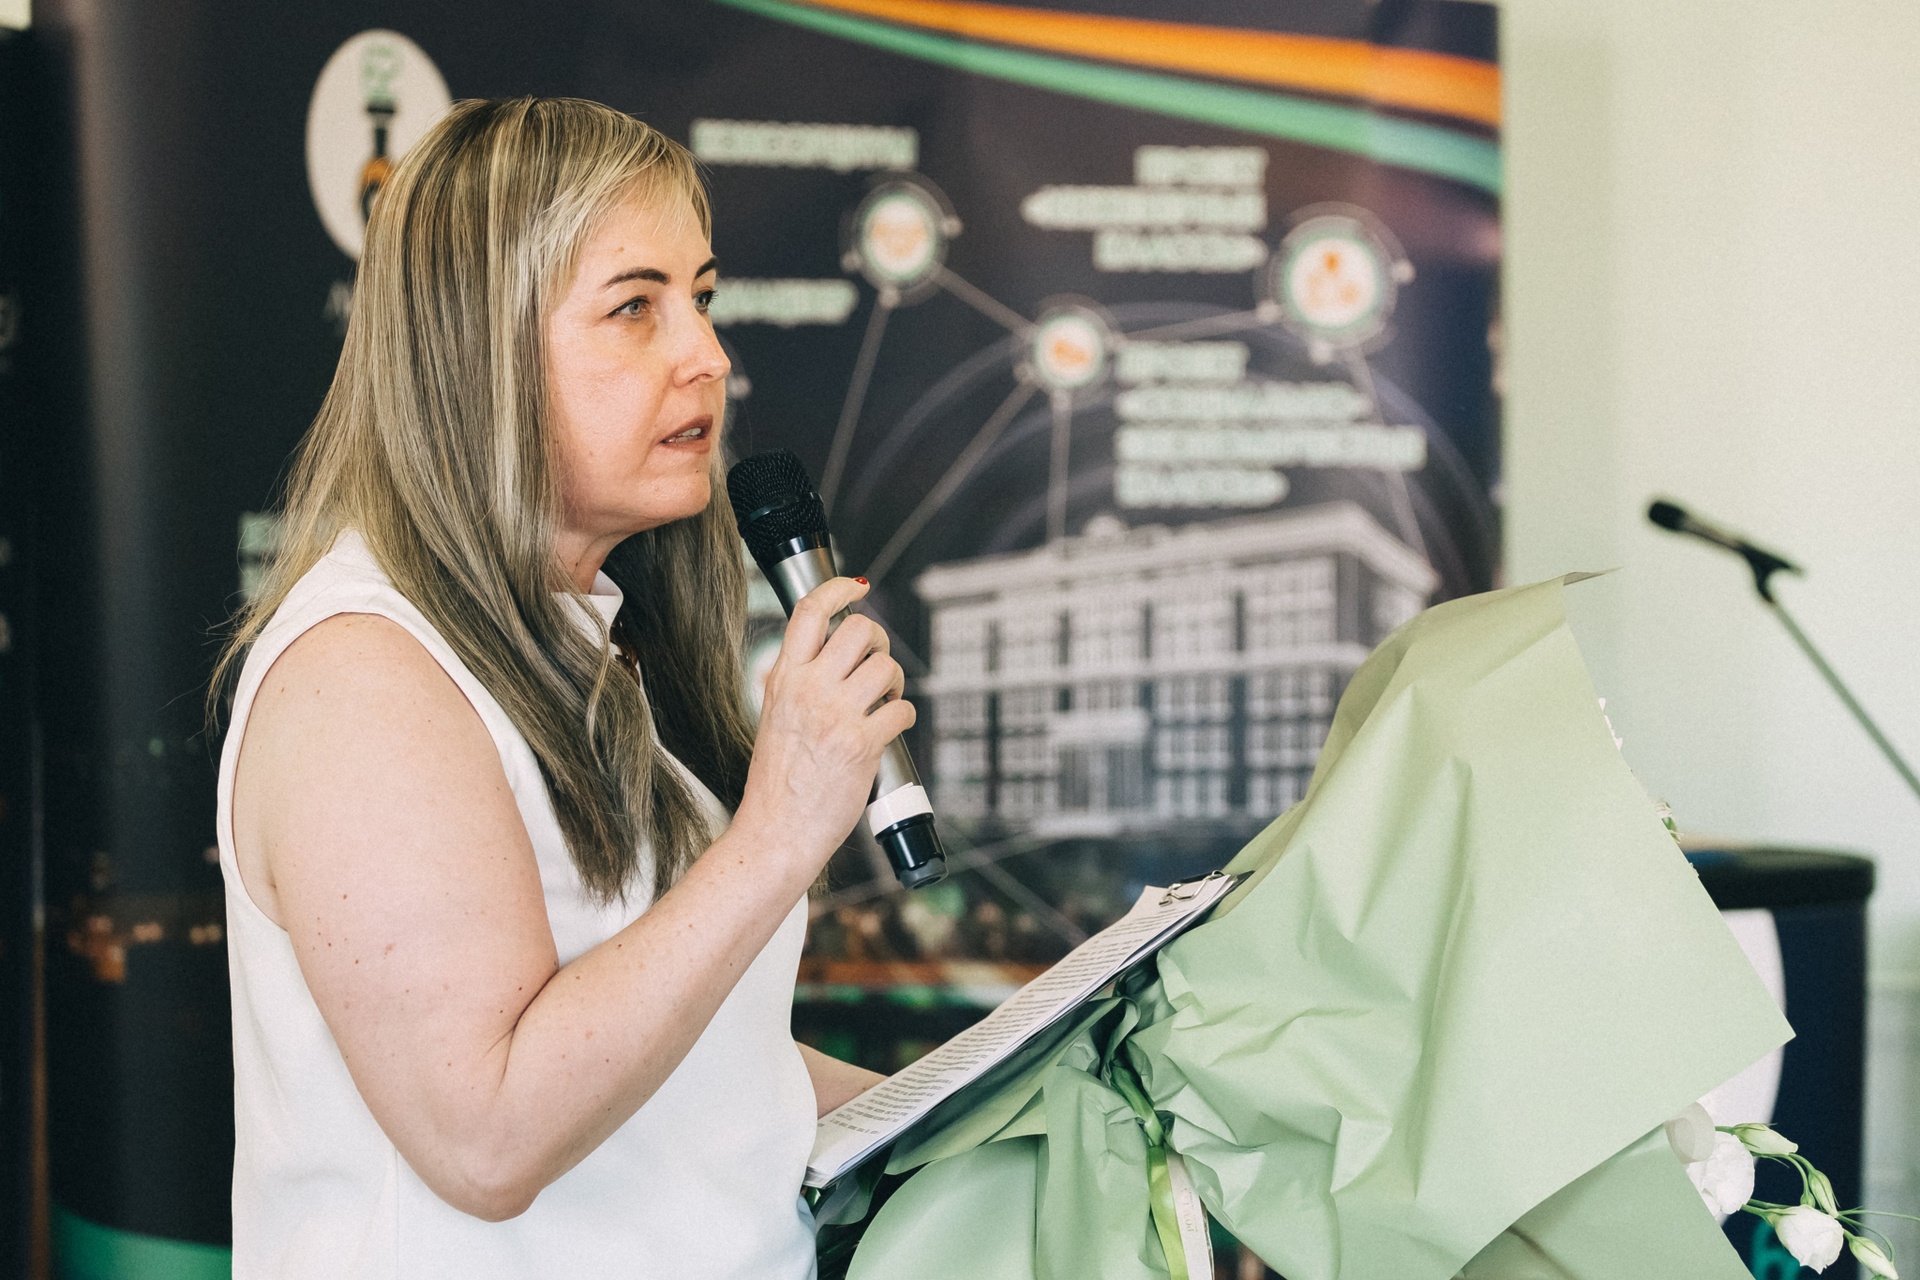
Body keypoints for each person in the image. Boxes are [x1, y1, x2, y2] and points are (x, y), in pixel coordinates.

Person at [211, 97, 901, 1277]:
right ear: (475, 350)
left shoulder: (591, 644)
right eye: (636, 306)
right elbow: (484, 1135)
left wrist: (991, 1099)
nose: (708, 355)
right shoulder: (363, 674)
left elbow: (698, 1075)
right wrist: (779, 831)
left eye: (703, 297)